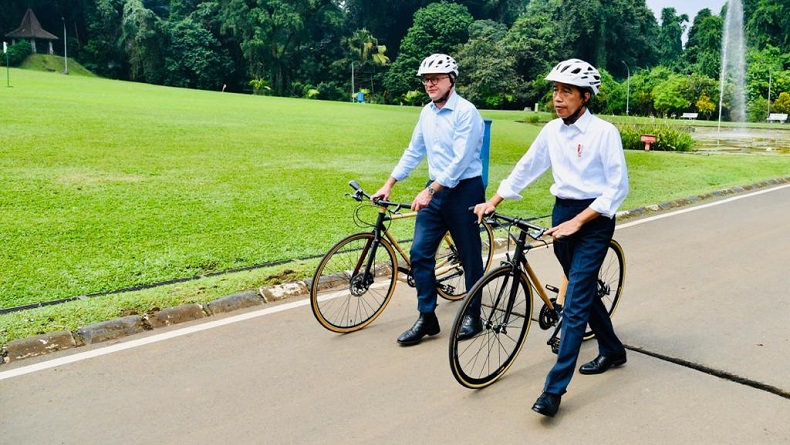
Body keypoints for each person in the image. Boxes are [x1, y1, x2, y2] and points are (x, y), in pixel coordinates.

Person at [473, 58, 629, 417]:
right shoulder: (551, 131)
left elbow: (617, 189)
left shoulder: (604, 133)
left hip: (594, 219)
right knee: (582, 288)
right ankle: (612, 349)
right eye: (556, 90)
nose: (558, 98)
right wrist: (494, 199)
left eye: (567, 91)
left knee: (574, 302)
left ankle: (553, 390)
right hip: (562, 213)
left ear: (585, 97)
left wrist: (580, 221)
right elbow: (527, 166)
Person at [372, 53, 486, 346]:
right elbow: (413, 150)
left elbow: (460, 162)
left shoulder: (466, 112)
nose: (429, 84)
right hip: (435, 191)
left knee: (470, 255)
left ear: (451, 80)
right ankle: (427, 316)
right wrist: (390, 183)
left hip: (465, 190)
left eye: (435, 78)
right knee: (420, 253)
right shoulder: (427, 113)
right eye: (426, 79)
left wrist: (430, 190)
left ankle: (474, 315)